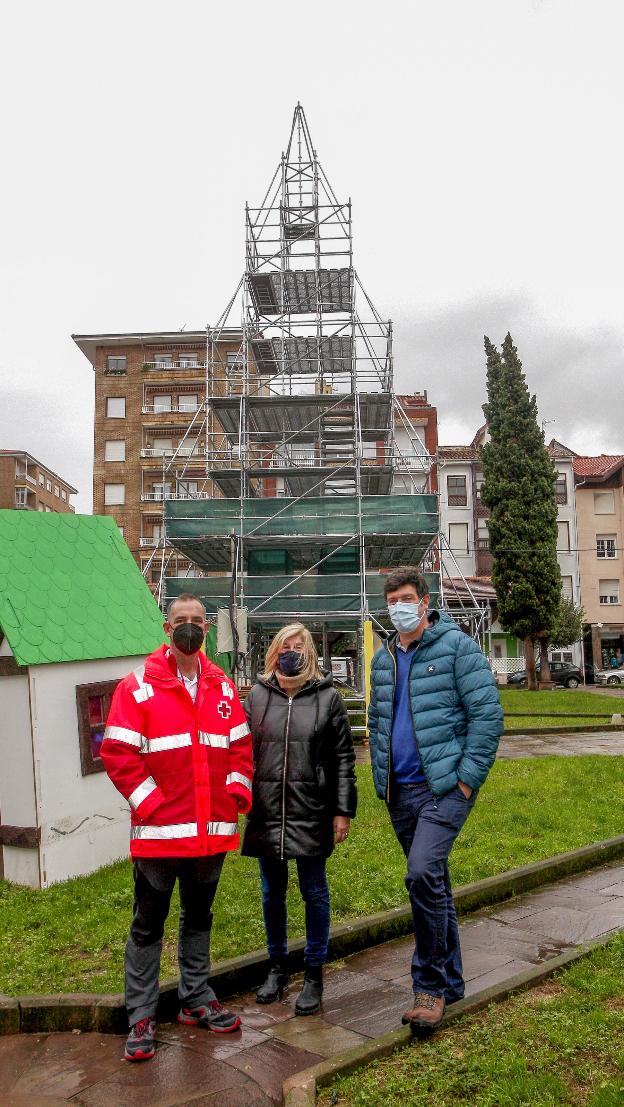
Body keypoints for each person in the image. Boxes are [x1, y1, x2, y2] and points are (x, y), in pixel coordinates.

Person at [101, 594, 253, 1061]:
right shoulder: (138, 687)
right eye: (180, 621)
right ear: (167, 629)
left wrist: (236, 795)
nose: (189, 628)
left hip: (209, 833)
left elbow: (240, 748)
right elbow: (117, 752)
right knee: (148, 924)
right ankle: (142, 1014)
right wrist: (151, 804)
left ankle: (196, 997)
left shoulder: (222, 686)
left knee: (199, 917)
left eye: (196, 621)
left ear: (206, 628)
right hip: (160, 835)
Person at [368, 567, 503, 1033]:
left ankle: (428, 986)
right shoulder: (383, 657)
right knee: (434, 886)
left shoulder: (457, 647)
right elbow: (377, 721)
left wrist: (465, 781)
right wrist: (379, 776)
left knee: (421, 872)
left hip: (442, 789)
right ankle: (453, 982)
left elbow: (487, 717)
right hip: (399, 793)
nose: (399, 608)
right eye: (392, 601)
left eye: (406, 598)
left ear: (425, 601)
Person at [242, 622, 356, 1015]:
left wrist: (342, 811)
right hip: (268, 808)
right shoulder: (257, 697)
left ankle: (313, 974)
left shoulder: (328, 698)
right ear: (274, 652)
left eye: (299, 646)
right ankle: (277, 968)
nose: (292, 652)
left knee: (314, 892)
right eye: (285, 646)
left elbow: (343, 759)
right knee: (272, 893)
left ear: (309, 653)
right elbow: (240, 752)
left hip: (313, 809)